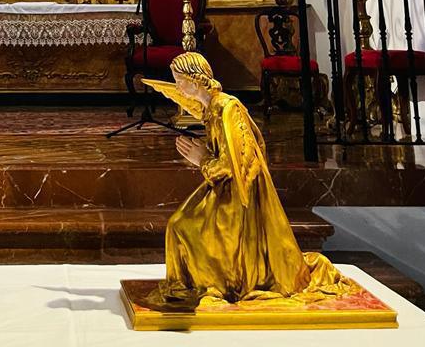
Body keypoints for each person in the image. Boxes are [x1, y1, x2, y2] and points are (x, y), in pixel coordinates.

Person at [144, 53, 356, 305]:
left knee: (181, 226)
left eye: (179, 80)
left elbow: (236, 164)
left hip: (239, 196)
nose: (177, 87)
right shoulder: (212, 108)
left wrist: (201, 159)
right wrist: (206, 153)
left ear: (195, 80)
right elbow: (225, 153)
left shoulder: (227, 108)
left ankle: (222, 283)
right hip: (222, 186)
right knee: (179, 224)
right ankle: (210, 280)